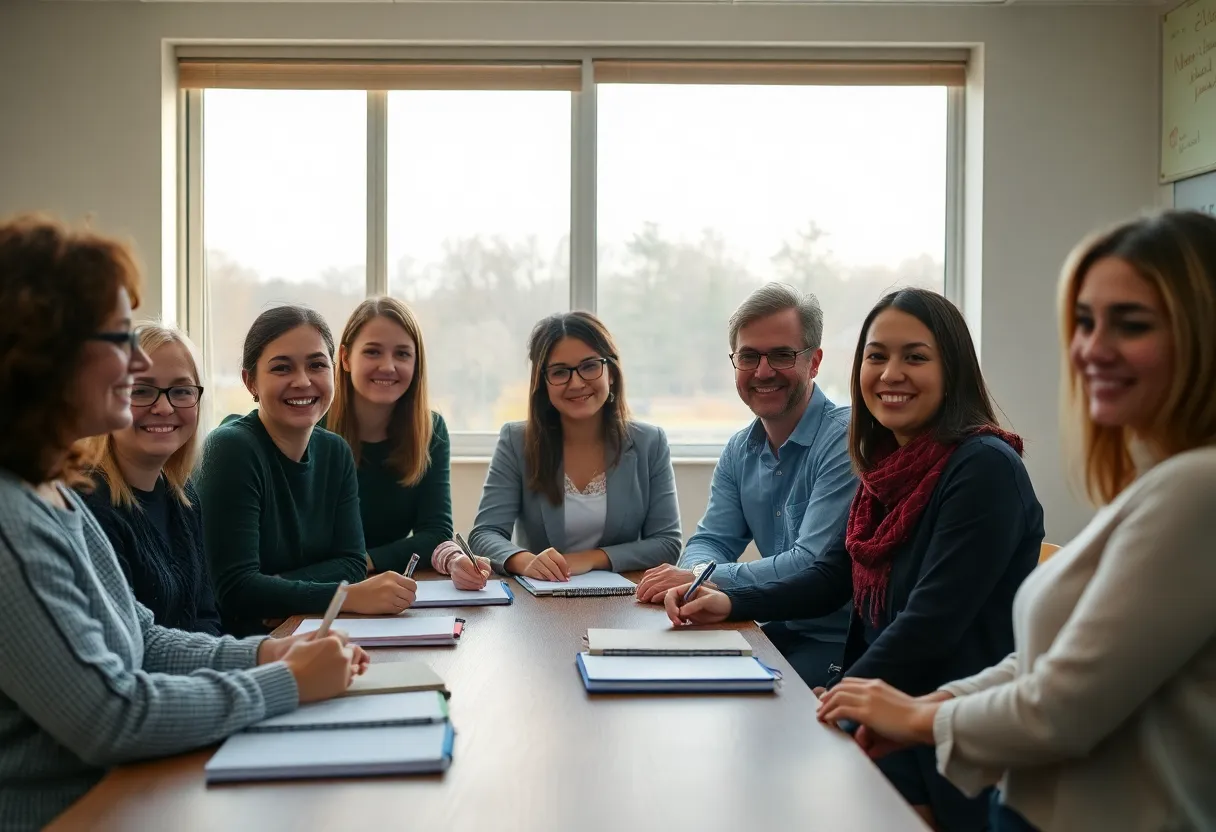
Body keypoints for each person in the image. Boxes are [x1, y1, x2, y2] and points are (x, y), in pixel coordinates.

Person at [816, 211, 1216, 832]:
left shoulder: (1199, 489)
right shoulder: (1163, 481)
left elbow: (1062, 705)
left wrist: (920, 717)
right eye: (1084, 322)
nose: (1092, 348)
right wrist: (923, 707)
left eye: (1131, 324)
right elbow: (1040, 662)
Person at [0, 215, 365, 830]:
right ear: (46, 353)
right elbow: (107, 716)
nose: (136, 360)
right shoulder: (12, 522)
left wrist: (269, 651)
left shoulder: (47, 493)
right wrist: (284, 682)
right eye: (118, 337)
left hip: (131, 792)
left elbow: (144, 639)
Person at [669, 287, 1043, 831]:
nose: (891, 373)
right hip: (892, 700)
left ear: (953, 368)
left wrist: (843, 696)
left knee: (756, 784)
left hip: (943, 733)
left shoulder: (982, 467)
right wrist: (727, 598)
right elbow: (830, 576)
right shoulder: (892, 467)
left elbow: (931, 622)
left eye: (914, 357)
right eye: (876, 356)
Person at [636, 282, 857, 688]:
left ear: (815, 361)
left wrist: (709, 579)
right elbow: (710, 541)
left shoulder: (845, 439)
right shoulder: (740, 449)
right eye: (749, 356)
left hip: (838, 645)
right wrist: (698, 575)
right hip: (771, 628)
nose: (763, 371)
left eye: (782, 355)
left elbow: (809, 563)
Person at [196, 305, 417, 636]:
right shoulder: (230, 448)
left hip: (307, 629)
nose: (302, 381)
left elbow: (353, 563)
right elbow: (235, 591)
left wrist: (278, 593)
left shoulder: (336, 451)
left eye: (316, 365)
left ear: (332, 370)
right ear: (250, 380)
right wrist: (343, 596)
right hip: (248, 651)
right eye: (282, 368)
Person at [468, 311, 681, 579]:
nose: (577, 382)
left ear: (611, 373)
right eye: (560, 372)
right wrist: (526, 561)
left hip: (624, 603)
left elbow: (667, 543)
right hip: (540, 601)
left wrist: (589, 559)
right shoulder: (516, 441)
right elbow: (485, 533)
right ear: (543, 383)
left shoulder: (650, 442)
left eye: (590, 366)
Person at [79, 325, 221, 635]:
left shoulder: (184, 495)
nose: (164, 407)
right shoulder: (87, 503)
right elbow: (129, 647)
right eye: (141, 391)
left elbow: (206, 615)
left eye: (182, 391)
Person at [327, 298, 471, 583]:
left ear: (416, 363)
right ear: (345, 358)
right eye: (372, 352)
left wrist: (365, 562)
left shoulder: (431, 431)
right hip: (317, 590)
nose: (388, 366)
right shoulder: (313, 428)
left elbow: (436, 535)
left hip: (379, 584)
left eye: (403, 354)